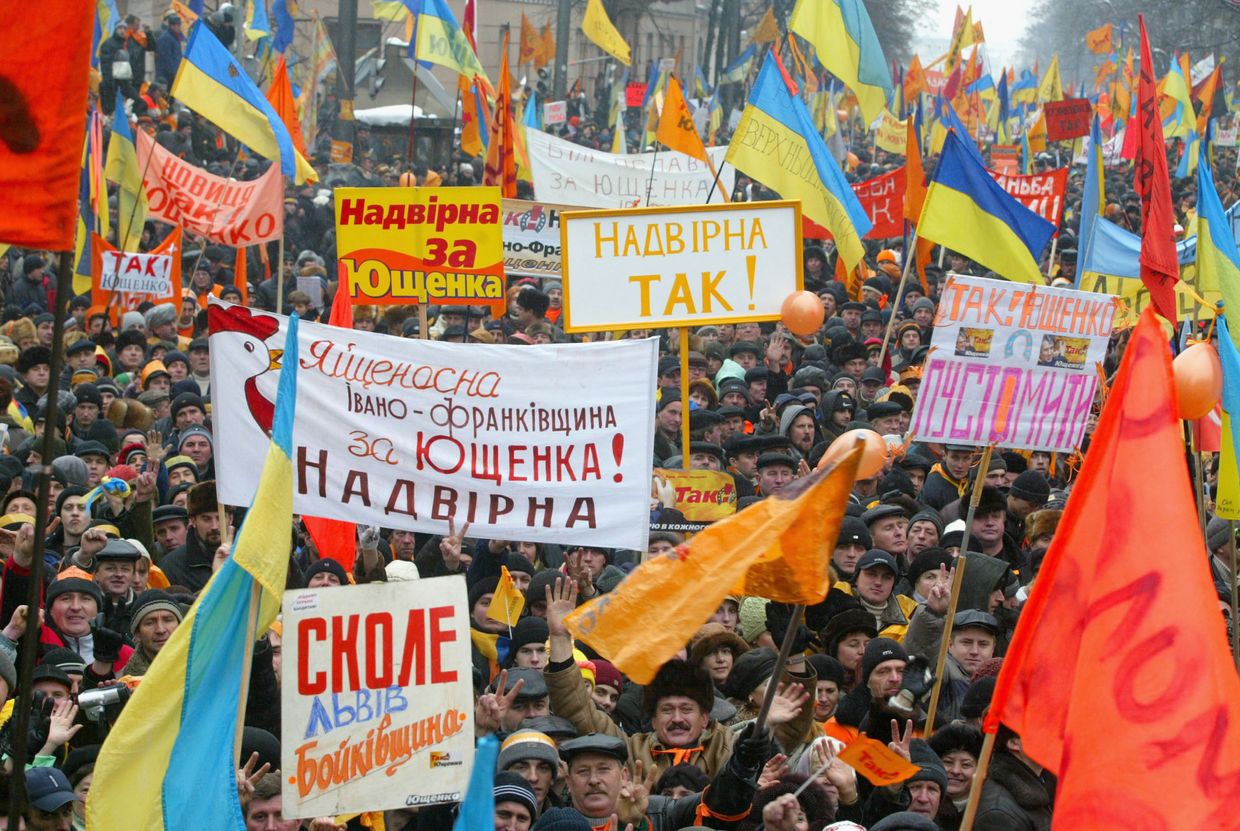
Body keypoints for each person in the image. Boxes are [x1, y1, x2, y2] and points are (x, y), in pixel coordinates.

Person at [543, 578, 810, 777]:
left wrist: (795, 657)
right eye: (667, 710)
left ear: (705, 717)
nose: (678, 719)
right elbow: (577, 709)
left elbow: (789, 730)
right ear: (653, 719)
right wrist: (559, 639)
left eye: (687, 709)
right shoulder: (631, 750)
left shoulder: (726, 745)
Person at [556, 731, 764, 830]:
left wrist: (743, 763)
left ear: (624, 776)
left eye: (603, 770)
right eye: (583, 771)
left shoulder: (660, 811)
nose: (594, 780)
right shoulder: (552, 824)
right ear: (568, 780)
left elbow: (718, 805)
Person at [972, 725, 1054, 830]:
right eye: (1043, 733)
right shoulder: (998, 815)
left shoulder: (1047, 785)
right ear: (1014, 743)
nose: (1054, 739)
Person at [158, 480, 222, 593]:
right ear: (193, 521)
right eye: (206, 519)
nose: (214, 526)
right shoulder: (171, 566)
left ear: (230, 518)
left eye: (219, 518)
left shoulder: (247, 558)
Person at [121, 589, 183, 675]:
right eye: (150, 623)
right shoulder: (127, 682)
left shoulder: (201, 670)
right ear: (137, 633)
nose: (160, 630)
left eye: (168, 620)